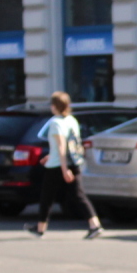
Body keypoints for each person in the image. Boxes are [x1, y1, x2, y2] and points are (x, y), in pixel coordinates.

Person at [26, 91, 104, 239]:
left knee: (47, 197)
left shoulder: (55, 122)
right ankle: (95, 225)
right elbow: (69, 145)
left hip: (58, 166)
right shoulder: (71, 120)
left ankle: (40, 228)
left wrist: (64, 169)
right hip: (73, 162)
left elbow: (61, 146)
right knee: (78, 195)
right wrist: (52, 156)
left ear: (55, 106)